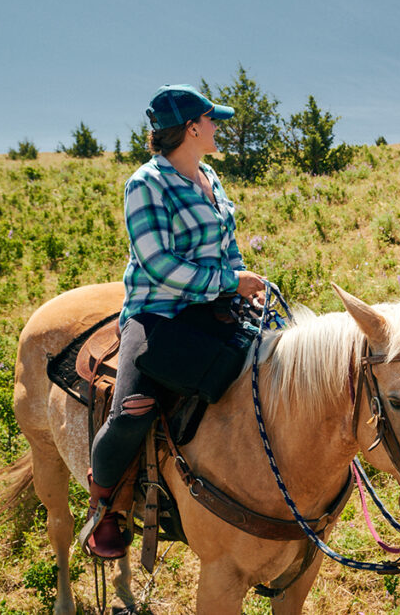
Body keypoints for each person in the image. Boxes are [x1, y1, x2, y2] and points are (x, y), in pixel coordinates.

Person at [82, 85, 267, 559]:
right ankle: (105, 506)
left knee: (275, 373)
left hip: (214, 306)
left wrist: (239, 279)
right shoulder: (145, 184)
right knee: (132, 409)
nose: (216, 127)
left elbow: (229, 247)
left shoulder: (210, 177)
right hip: (157, 313)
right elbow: (156, 264)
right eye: (211, 120)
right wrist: (227, 281)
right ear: (190, 128)